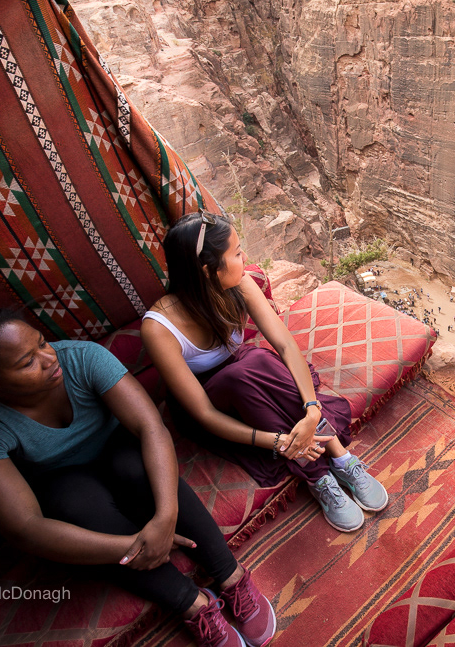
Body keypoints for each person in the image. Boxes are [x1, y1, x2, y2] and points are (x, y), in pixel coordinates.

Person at [0, 309, 275, 647]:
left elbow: (150, 426)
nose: (49, 359)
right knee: (71, 501)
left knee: (133, 462)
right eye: (27, 362)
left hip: (120, 455)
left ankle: (230, 575)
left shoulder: (81, 358)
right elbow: (24, 527)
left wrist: (165, 518)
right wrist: (131, 548)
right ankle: (193, 604)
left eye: (42, 343)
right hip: (65, 483)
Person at [142, 212, 388, 534]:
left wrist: (312, 411)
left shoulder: (239, 284)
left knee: (258, 360)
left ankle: (339, 457)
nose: (245, 259)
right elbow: (202, 412)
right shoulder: (159, 328)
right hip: (210, 403)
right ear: (208, 270)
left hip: (250, 376)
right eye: (237, 252)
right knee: (243, 372)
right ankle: (317, 475)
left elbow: (285, 345)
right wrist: (278, 441)